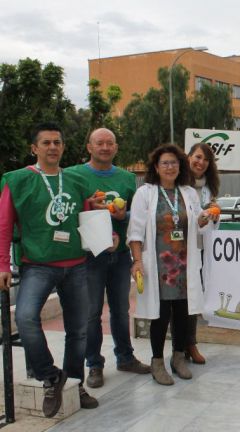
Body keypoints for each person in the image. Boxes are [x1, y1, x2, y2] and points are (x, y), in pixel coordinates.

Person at [0, 122, 98, 417]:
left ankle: (75, 382)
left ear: (63, 147)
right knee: (27, 317)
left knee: (78, 331)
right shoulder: (17, 180)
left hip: (77, 265)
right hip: (38, 266)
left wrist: (106, 235)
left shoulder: (75, 179)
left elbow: (87, 215)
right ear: (34, 148)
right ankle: (51, 377)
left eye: (57, 142)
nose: (53, 147)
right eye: (46, 143)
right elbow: (4, 225)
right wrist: (3, 264)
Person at [65, 128, 150, 389]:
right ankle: (94, 364)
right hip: (89, 257)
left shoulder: (126, 177)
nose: (105, 147)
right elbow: (69, 211)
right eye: (99, 143)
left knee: (121, 310)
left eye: (109, 143)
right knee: (91, 314)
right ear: (89, 147)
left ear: (116, 147)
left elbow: (134, 216)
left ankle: (125, 357)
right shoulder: (73, 175)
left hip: (120, 255)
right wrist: (89, 206)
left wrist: (121, 219)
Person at [127, 144, 218, 385]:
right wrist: (137, 261)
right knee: (160, 315)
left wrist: (207, 217)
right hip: (158, 266)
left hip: (184, 265)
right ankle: (157, 361)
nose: (170, 167)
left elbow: (197, 221)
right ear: (156, 167)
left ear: (181, 166)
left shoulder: (188, 192)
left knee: (183, 313)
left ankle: (178, 357)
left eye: (174, 163)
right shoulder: (145, 194)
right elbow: (135, 232)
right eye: (165, 163)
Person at [185, 142, 221, 364]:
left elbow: (206, 214)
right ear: (188, 157)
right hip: (179, 250)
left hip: (199, 248)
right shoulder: (179, 183)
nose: (200, 162)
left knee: (194, 299)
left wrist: (214, 212)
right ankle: (183, 347)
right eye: (197, 157)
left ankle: (190, 344)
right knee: (182, 301)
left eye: (205, 160)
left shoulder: (208, 186)